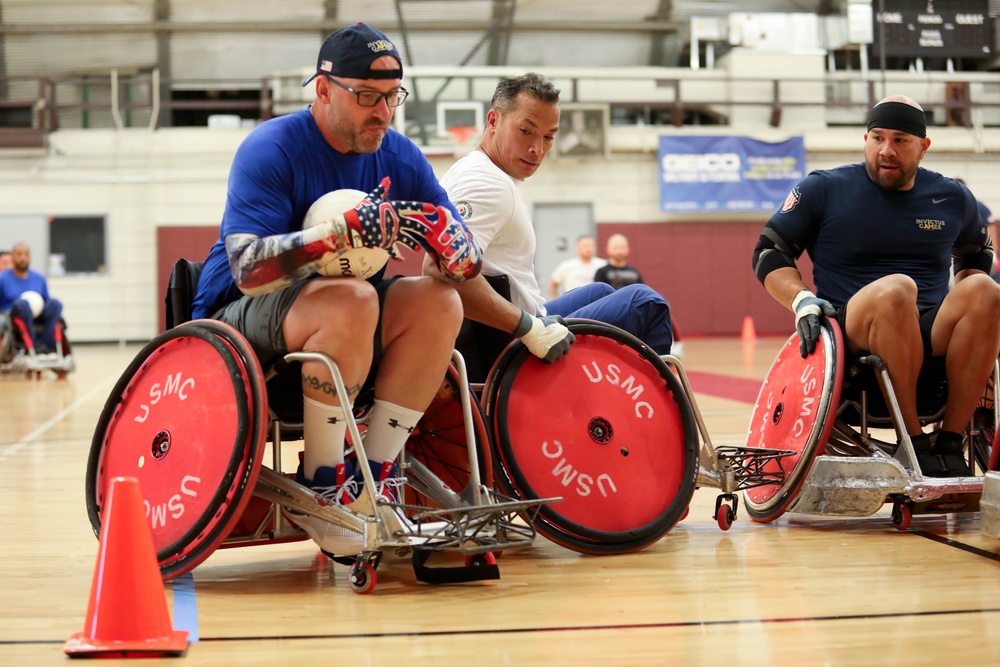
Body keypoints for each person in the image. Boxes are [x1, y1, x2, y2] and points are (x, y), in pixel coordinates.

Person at [190, 23, 482, 555]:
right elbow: (246, 269)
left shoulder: (401, 155)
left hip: (346, 324)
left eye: (393, 97)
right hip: (237, 318)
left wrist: (452, 242)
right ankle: (324, 483)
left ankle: (373, 477)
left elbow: (467, 266)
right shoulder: (271, 147)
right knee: (355, 296)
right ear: (323, 90)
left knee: (440, 301)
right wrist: (333, 237)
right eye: (367, 97)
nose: (384, 112)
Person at [752, 94, 1000, 478]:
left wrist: (975, 325)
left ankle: (951, 440)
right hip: (852, 334)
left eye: (900, 141)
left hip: (927, 330)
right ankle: (913, 443)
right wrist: (801, 300)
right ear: (865, 140)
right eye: (877, 138)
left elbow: (976, 252)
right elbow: (770, 252)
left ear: (923, 147)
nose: (887, 150)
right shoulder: (823, 188)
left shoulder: (951, 197)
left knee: (986, 291)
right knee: (897, 289)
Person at [425, 72, 673, 373]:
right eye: (526, 131)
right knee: (646, 302)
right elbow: (440, 268)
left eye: (548, 137)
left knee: (600, 292)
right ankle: (656, 407)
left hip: (521, 325)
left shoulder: (486, 172)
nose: (537, 149)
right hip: (514, 347)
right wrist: (528, 327)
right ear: (493, 121)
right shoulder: (484, 183)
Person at [0, 242, 64, 354]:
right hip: (12, 316)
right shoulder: (3, 278)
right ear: (13, 257)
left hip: (38, 314)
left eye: (26, 255)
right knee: (23, 304)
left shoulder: (39, 278)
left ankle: (47, 345)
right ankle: (32, 345)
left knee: (56, 304)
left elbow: (47, 300)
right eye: (19, 255)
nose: (23, 258)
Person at [548, 234, 606, 298]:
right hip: (573, 303)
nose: (588, 249)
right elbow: (553, 285)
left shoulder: (603, 265)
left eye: (591, 246)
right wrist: (555, 301)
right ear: (577, 248)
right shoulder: (566, 266)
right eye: (585, 246)